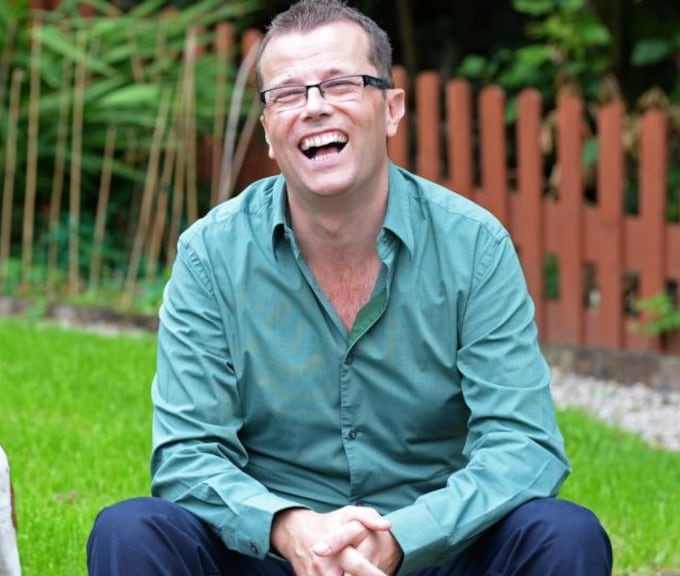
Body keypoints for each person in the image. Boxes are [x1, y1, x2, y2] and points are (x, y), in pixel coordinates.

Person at [86, 0, 613, 574]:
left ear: (391, 108)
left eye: (340, 83)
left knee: (566, 535)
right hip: (274, 555)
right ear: (267, 129)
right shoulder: (210, 255)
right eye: (287, 93)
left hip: (436, 553)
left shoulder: (474, 247)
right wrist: (290, 530)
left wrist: (403, 539)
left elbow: (522, 445)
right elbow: (188, 456)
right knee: (130, 530)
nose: (313, 107)